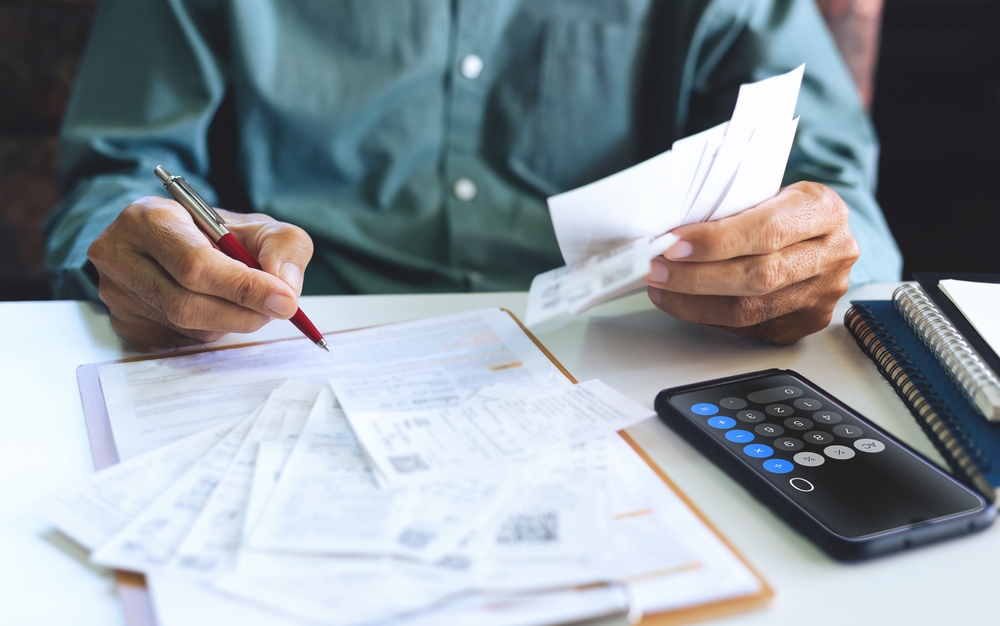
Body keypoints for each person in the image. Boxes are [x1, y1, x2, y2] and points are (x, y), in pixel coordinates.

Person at [45, 0, 901, 352]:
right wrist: (136, 253)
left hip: (640, 357)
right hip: (280, 353)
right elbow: (115, 176)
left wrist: (802, 259)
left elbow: (830, 189)